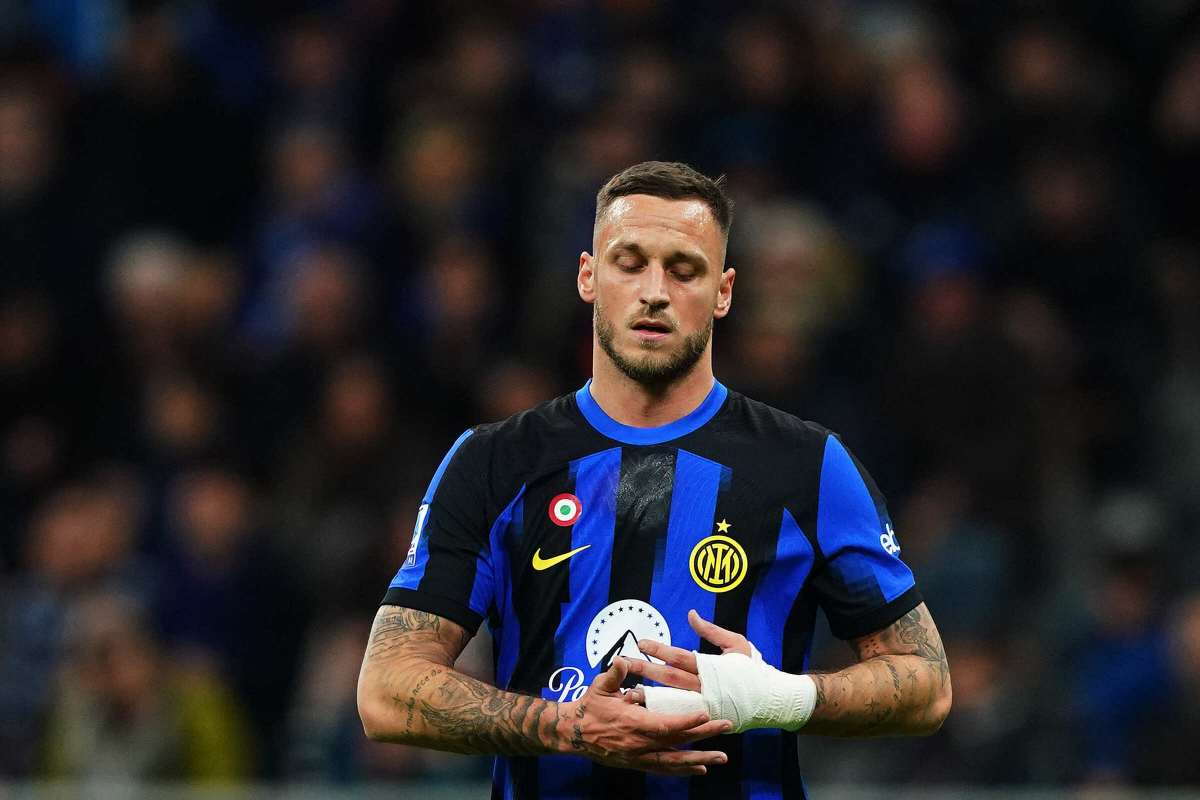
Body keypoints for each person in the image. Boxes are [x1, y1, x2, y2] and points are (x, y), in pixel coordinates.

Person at [357, 161, 952, 799]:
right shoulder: (493, 462)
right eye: (630, 263)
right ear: (588, 276)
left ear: (723, 292)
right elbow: (385, 691)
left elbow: (927, 684)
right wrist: (566, 727)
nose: (654, 292)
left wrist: (782, 698)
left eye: (684, 269)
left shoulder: (809, 465)